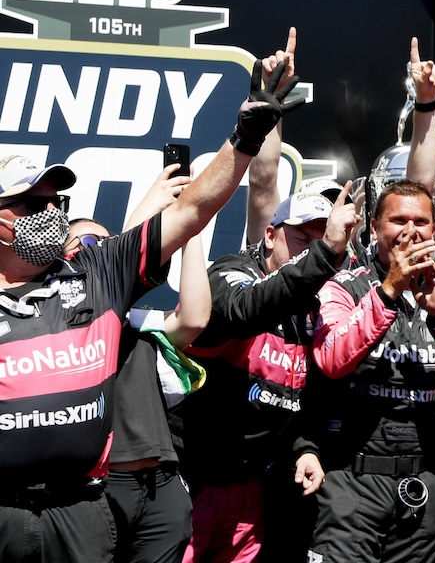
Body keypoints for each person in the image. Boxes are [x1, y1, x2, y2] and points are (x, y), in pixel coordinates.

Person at [0, 57, 299, 563]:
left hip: (80, 512)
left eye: (55, 202)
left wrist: (247, 133)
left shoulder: (96, 273)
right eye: (31, 204)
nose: (49, 213)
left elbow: (191, 209)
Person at [303, 179, 435, 563]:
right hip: (352, 481)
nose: (411, 231)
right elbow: (331, 359)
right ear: (375, 227)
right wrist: (389, 291)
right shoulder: (344, 287)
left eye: (421, 222)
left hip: (422, 485)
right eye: (398, 220)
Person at [178, 176, 360, 563]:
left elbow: (301, 397)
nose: (309, 251)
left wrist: (305, 449)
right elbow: (246, 309)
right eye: (301, 238)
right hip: (195, 483)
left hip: (254, 490)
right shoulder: (232, 273)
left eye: (320, 240)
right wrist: (325, 252)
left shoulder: (318, 305)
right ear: (271, 234)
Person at [73, 165, 209, 563]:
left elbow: (194, 318)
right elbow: (114, 269)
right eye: (85, 242)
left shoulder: (137, 320)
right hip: (101, 487)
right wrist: (152, 204)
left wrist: (190, 229)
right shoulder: (62, 321)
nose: (99, 250)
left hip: (161, 486)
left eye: (106, 243)